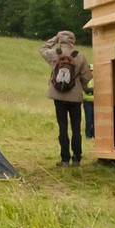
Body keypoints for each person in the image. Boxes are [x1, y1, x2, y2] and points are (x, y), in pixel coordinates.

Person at [41, 30, 93, 167]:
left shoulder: (54, 54)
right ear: (73, 40)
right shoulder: (79, 56)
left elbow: (43, 49)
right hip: (75, 97)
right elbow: (87, 77)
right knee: (76, 128)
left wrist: (54, 39)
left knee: (62, 128)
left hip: (58, 96)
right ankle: (76, 158)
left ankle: (65, 159)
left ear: (61, 39)